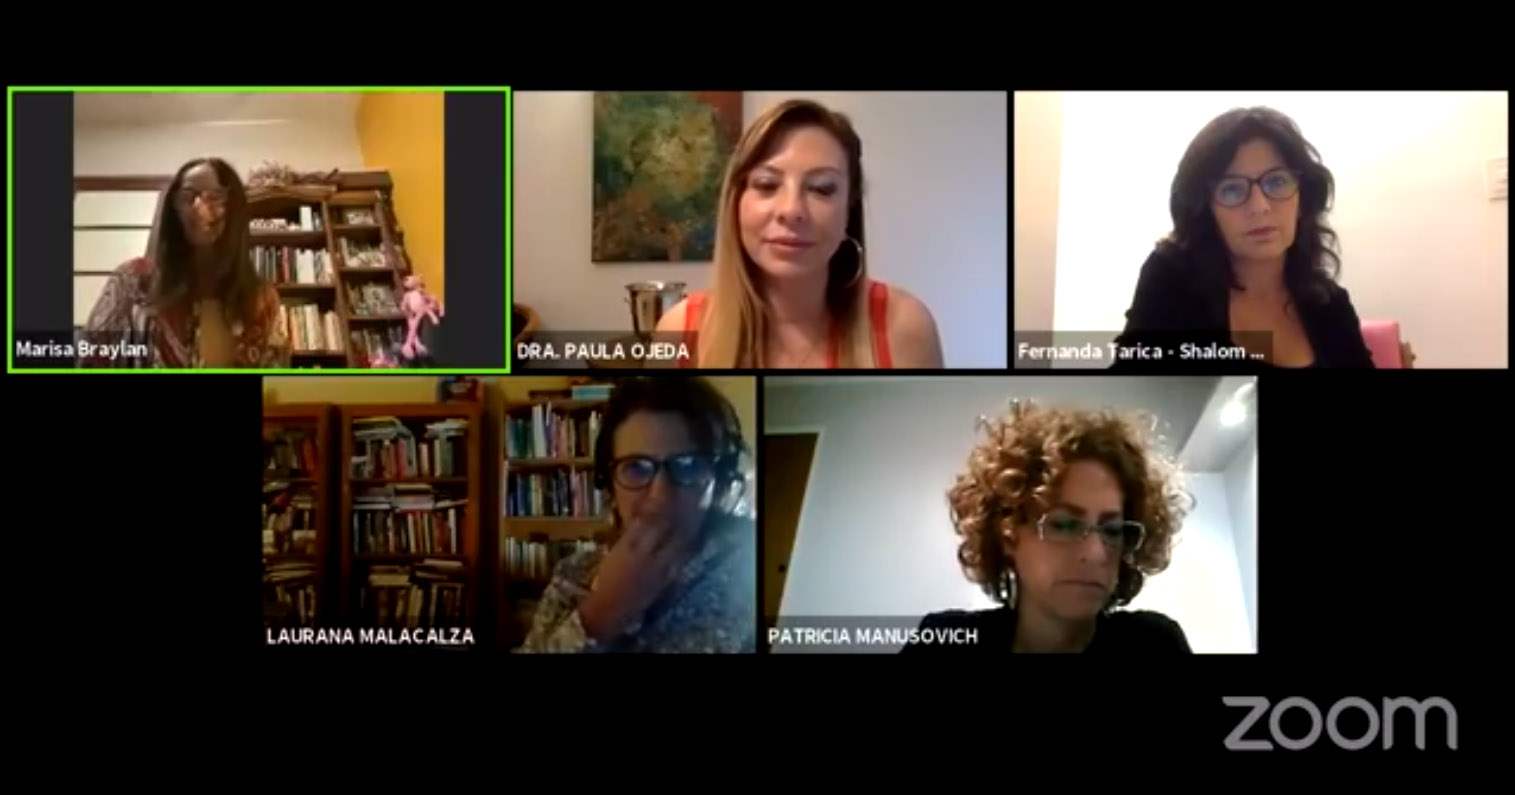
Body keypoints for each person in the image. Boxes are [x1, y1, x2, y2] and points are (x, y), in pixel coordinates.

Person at [656, 99, 944, 368]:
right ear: (736, 203)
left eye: (822, 188)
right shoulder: (678, 330)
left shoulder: (905, 327)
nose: (792, 210)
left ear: (849, 210)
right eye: (767, 184)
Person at [903, 400, 1193, 654]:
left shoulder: (1153, 644)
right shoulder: (945, 643)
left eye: (1112, 530)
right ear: (1008, 533)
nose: (1096, 553)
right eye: (1065, 525)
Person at [1110, 107, 1381, 370]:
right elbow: (1128, 391)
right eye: (1232, 190)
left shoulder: (1329, 304)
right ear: (1206, 209)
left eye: (1277, 182)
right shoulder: (1172, 282)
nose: (1260, 206)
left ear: (1303, 198)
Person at [517, 377, 757, 653]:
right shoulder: (573, 575)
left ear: (720, 479)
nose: (660, 495)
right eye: (636, 468)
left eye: (689, 465)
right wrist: (603, 612)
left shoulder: (749, 575)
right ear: (610, 485)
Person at [81, 157, 289, 367]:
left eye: (215, 197)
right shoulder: (133, 281)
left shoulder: (263, 300)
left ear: (235, 208)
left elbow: (275, 374)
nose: (199, 207)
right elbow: (90, 359)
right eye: (188, 196)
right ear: (174, 208)